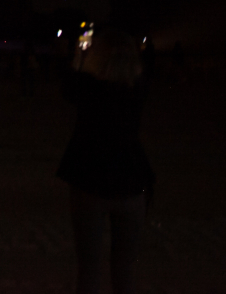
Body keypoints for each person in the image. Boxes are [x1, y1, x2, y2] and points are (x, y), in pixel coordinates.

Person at [56, 28, 154, 294]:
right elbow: (144, 66)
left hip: (90, 179)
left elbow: (68, 82)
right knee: (125, 270)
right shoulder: (138, 89)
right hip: (131, 180)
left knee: (88, 269)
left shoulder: (88, 88)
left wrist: (78, 53)